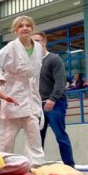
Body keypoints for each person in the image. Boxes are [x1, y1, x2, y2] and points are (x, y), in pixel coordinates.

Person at [0, 15, 45, 167]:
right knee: (8, 135)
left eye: (28, 25)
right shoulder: (10, 47)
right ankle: (2, 163)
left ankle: (36, 163)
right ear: (15, 30)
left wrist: (37, 93)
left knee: (34, 132)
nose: (25, 28)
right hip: (12, 93)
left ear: (32, 28)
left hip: (30, 93)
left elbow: (36, 72)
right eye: (21, 26)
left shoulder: (38, 48)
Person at [32, 32, 75, 167]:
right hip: (38, 105)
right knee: (38, 139)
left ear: (44, 42)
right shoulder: (32, 63)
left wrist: (52, 99)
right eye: (32, 42)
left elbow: (60, 82)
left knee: (60, 135)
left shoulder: (54, 59)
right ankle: (38, 165)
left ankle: (69, 166)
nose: (35, 44)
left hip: (55, 103)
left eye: (38, 40)